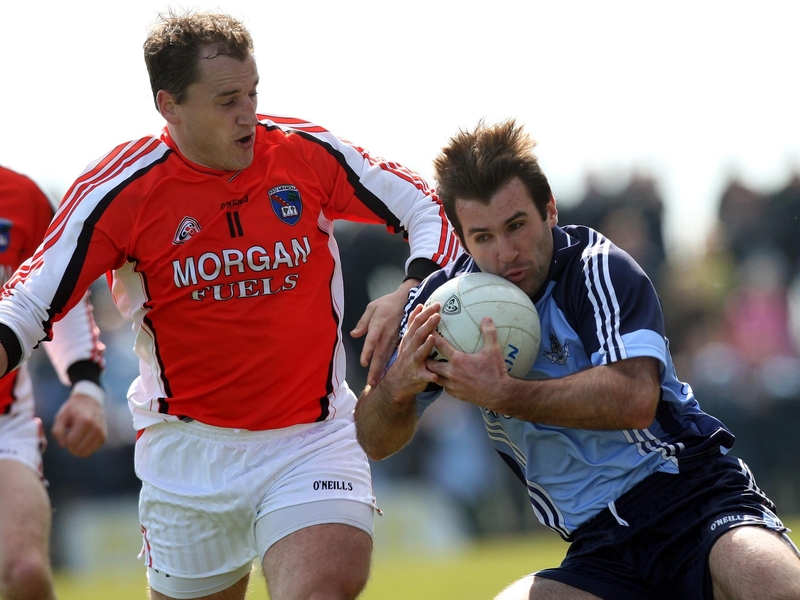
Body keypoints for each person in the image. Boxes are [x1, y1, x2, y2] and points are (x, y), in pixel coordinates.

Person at [0, 10, 459, 600]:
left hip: (310, 438)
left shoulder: (305, 152)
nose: (249, 113)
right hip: (187, 456)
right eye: (226, 100)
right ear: (169, 106)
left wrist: (409, 292)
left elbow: (428, 208)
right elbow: (31, 299)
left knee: (323, 589)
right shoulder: (119, 190)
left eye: (253, 92)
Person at [354, 119, 800, 599]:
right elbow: (372, 440)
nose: (505, 253)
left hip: (694, 500)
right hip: (598, 547)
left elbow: (633, 399)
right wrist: (397, 386)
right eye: (482, 237)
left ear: (549, 210)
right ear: (461, 238)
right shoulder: (448, 306)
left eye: (516, 225)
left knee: (767, 582)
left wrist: (505, 394)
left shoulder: (597, 268)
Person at [0, 165, 107, 600]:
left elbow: (54, 298)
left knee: (25, 572)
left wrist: (85, 385)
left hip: (5, 417)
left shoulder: (21, 196)